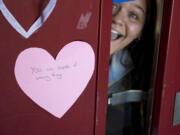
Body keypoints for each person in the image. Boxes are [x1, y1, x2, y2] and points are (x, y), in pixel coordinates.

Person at [106, 0, 157, 135]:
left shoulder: (133, 78)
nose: (117, 19)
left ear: (141, 31)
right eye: (112, 6)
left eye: (133, 15)